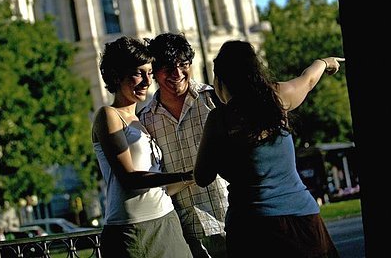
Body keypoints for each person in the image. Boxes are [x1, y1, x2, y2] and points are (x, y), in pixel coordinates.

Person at [194, 40, 344, 258]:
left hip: (251, 229)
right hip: (303, 222)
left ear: (220, 80)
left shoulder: (221, 119)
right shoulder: (279, 97)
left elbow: (202, 176)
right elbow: (309, 79)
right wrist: (325, 62)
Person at [92, 35, 194, 258]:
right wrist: (184, 174)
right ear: (118, 76)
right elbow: (129, 179)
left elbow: (161, 189)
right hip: (132, 232)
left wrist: (193, 177)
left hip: (166, 222)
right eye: (138, 73)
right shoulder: (108, 115)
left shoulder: (142, 120)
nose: (147, 82)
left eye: (149, 73)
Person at [139, 32, 228, 258]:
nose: (178, 73)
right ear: (155, 72)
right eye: (169, 68)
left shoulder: (213, 100)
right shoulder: (145, 119)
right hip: (184, 232)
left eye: (183, 64)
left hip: (228, 218)